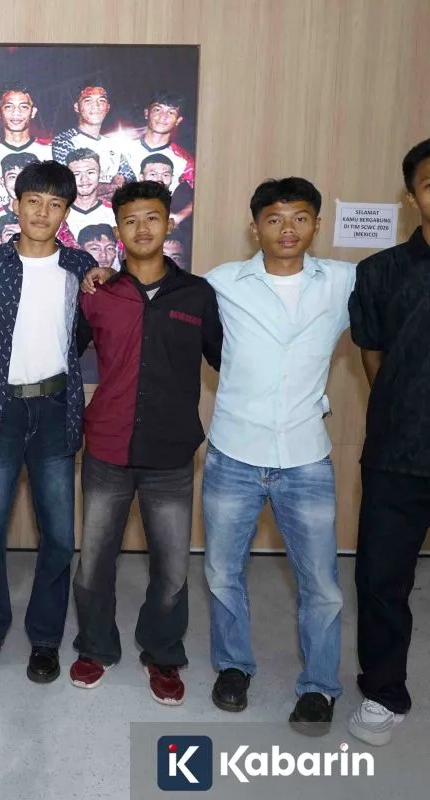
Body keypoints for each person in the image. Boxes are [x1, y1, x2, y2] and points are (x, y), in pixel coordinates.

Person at [201, 177, 351, 736]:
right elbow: (164, 297)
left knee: (322, 584)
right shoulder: (223, 282)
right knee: (222, 571)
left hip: (306, 456)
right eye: (274, 219)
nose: (287, 229)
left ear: (316, 224)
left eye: (300, 218)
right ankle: (233, 666)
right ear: (255, 226)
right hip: (233, 453)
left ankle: (319, 687)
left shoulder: (343, 281)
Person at [69, 180, 222, 706]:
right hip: (107, 448)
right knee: (94, 561)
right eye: (131, 220)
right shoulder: (98, 294)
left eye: (152, 218)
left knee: (173, 568)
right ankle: (95, 647)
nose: (142, 228)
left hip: (171, 453)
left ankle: (162, 652)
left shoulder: (198, 295)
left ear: (169, 223)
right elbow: (63, 353)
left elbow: (226, 359)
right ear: (118, 230)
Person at [0, 160, 99, 683]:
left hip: (56, 407)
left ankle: (45, 638)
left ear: (67, 212)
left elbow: (85, 333)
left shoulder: (81, 267)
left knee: (59, 534)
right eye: (34, 201)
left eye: (55, 204)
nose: (43, 213)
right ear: (15, 204)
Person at [346, 138, 430, 747]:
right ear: (412, 197)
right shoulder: (379, 272)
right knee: (381, 579)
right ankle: (383, 692)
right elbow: (373, 357)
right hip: (399, 452)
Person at [0, 84, 53, 210]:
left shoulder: (52, 150)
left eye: (24, 107)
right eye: (9, 107)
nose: (16, 112)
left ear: (33, 112)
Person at [51, 85, 135, 185]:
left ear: (107, 107)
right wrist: (113, 186)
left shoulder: (114, 145)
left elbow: (131, 180)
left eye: (101, 100)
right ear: (77, 107)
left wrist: (121, 182)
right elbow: (69, 183)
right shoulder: (63, 141)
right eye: (88, 100)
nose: (95, 105)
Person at [122, 91, 194, 191]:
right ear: (146, 113)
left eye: (171, 112)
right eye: (157, 109)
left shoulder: (186, 162)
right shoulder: (121, 148)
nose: (163, 116)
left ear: (178, 120)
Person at [62, 149, 117, 246]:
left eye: (90, 172)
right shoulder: (60, 213)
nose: (84, 179)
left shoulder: (115, 212)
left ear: (100, 174)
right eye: (76, 174)